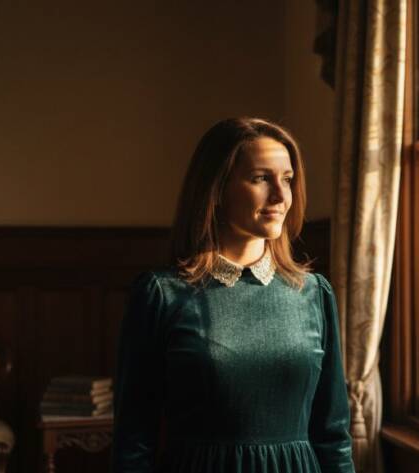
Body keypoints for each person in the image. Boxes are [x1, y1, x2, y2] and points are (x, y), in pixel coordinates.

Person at [111, 117, 355, 472]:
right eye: (261, 178)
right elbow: (134, 439)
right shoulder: (162, 295)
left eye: (287, 179)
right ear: (217, 188)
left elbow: (333, 435)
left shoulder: (314, 294)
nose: (280, 196)